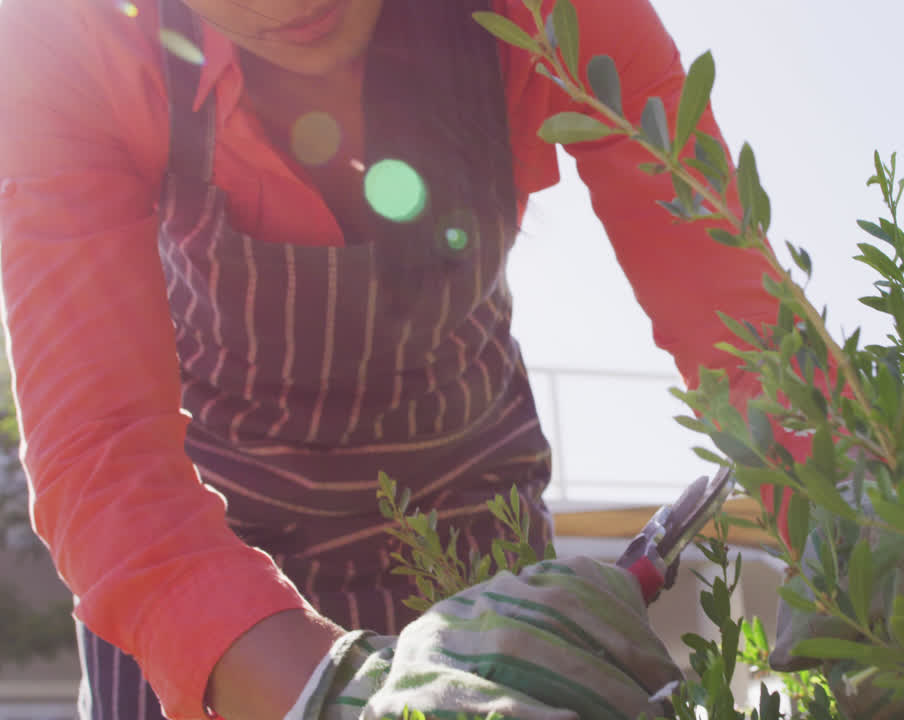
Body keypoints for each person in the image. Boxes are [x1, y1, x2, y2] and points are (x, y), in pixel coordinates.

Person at [0, 1, 799, 719]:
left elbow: (748, 337)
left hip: (468, 518)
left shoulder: (564, 14)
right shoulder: (62, 35)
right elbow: (101, 449)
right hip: (203, 546)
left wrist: (869, 528)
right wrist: (325, 699)